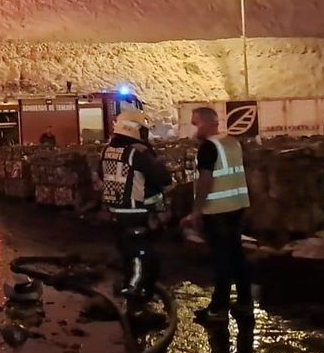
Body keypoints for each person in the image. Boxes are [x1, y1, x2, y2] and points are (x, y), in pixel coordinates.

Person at [182, 107, 254, 324]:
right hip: (237, 206)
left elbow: (206, 180)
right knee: (236, 255)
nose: (194, 129)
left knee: (221, 259)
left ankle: (218, 309)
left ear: (207, 122)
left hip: (218, 210)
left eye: (196, 124)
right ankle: (244, 302)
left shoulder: (209, 147)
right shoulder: (232, 142)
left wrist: (195, 211)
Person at [98, 108, 172, 306]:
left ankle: (130, 295)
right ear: (135, 130)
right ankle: (135, 299)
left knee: (127, 256)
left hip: (117, 213)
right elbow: (164, 178)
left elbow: (101, 175)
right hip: (138, 213)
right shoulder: (138, 153)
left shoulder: (107, 150)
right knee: (143, 259)